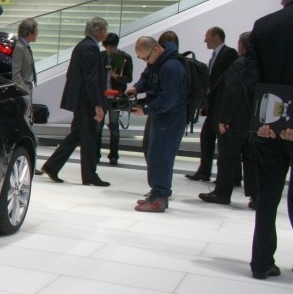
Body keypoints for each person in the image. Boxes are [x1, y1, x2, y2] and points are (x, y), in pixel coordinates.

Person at [243, 0, 293, 279]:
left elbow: (251, 79)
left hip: (269, 126)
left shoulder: (264, 26)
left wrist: (263, 120)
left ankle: (261, 262)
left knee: (267, 199)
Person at [41, 16, 110, 186]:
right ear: (97, 31)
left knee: (77, 135)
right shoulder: (90, 48)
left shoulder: (83, 46)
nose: (106, 33)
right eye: (104, 30)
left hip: (81, 99)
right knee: (89, 137)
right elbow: (91, 79)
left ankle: (52, 166)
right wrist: (98, 104)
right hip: (86, 101)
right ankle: (89, 175)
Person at [127, 36, 188, 212]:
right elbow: (146, 78)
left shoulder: (172, 67)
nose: (145, 62)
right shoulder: (157, 62)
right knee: (154, 154)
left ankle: (160, 197)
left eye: (145, 58)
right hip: (161, 116)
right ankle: (156, 193)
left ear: (155, 49)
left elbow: (168, 98)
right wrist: (136, 88)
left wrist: (146, 110)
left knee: (162, 156)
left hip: (171, 117)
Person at [200, 32, 255, 207]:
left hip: (235, 120)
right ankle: (256, 197)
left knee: (227, 157)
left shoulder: (239, 65)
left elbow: (231, 93)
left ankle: (222, 193)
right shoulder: (260, 64)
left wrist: (224, 119)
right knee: (252, 160)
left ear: (242, 46)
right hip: (253, 121)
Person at [187, 26, 238, 181]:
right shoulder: (214, 57)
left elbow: (227, 80)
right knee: (207, 137)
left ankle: (231, 176)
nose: (205, 40)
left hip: (222, 105)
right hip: (214, 105)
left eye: (207, 36)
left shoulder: (229, 53)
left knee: (223, 142)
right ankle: (205, 171)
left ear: (216, 36)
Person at [101, 33, 133, 165]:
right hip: (102, 95)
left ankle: (113, 156)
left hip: (115, 96)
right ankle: (95, 154)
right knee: (97, 125)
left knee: (114, 126)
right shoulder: (101, 56)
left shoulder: (125, 57)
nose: (109, 50)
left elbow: (129, 78)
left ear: (116, 46)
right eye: (107, 47)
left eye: (111, 47)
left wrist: (117, 77)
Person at [12, 18, 37, 100]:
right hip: (22, 91)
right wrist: (26, 91)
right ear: (29, 34)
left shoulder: (24, 45)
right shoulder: (19, 47)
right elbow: (15, 74)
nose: (37, 34)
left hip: (27, 87)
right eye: (36, 31)